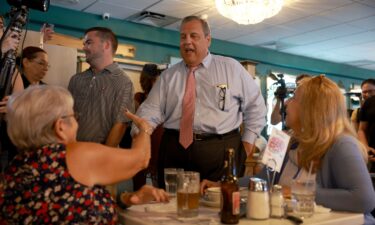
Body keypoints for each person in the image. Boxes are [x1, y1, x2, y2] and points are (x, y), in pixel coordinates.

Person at [202, 75, 375, 224]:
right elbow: (263, 181)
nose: (286, 104)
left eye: (293, 98)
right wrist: (221, 185)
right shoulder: (283, 140)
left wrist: (296, 192)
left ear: (310, 109)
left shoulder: (341, 145)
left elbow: (364, 199)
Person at [0, 85, 168, 224]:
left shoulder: (13, 170)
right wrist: (144, 129)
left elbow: (66, 208)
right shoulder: (74, 156)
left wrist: (126, 199)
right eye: (74, 116)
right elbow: (141, 159)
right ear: (60, 127)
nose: (77, 123)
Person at [133, 16, 267, 187]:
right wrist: (140, 132)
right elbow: (150, 110)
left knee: (219, 206)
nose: (187, 42)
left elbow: (256, 108)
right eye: (183, 37)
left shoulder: (230, 68)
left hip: (221, 150)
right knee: (171, 206)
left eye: (194, 36)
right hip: (174, 149)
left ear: (208, 40)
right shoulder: (168, 76)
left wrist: (246, 147)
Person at [68, 27, 134, 147]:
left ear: (106, 45)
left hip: (99, 155)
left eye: (89, 43)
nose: (84, 48)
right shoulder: (76, 79)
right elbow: (66, 116)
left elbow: (120, 124)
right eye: (84, 44)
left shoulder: (123, 82)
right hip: (71, 151)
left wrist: (103, 158)